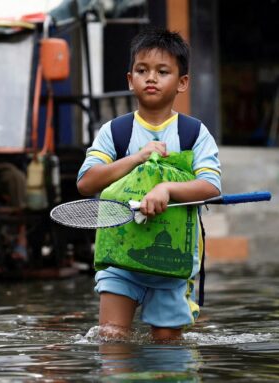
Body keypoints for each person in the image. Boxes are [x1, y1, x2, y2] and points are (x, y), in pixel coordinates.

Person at [77, 27, 221, 341]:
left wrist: (166, 189)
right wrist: (136, 158)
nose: (151, 78)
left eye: (162, 71)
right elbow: (87, 183)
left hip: (172, 263)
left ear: (182, 83)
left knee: (167, 345)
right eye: (142, 70)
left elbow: (210, 186)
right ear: (131, 80)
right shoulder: (115, 132)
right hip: (119, 258)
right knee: (111, 340)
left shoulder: (194, 134)